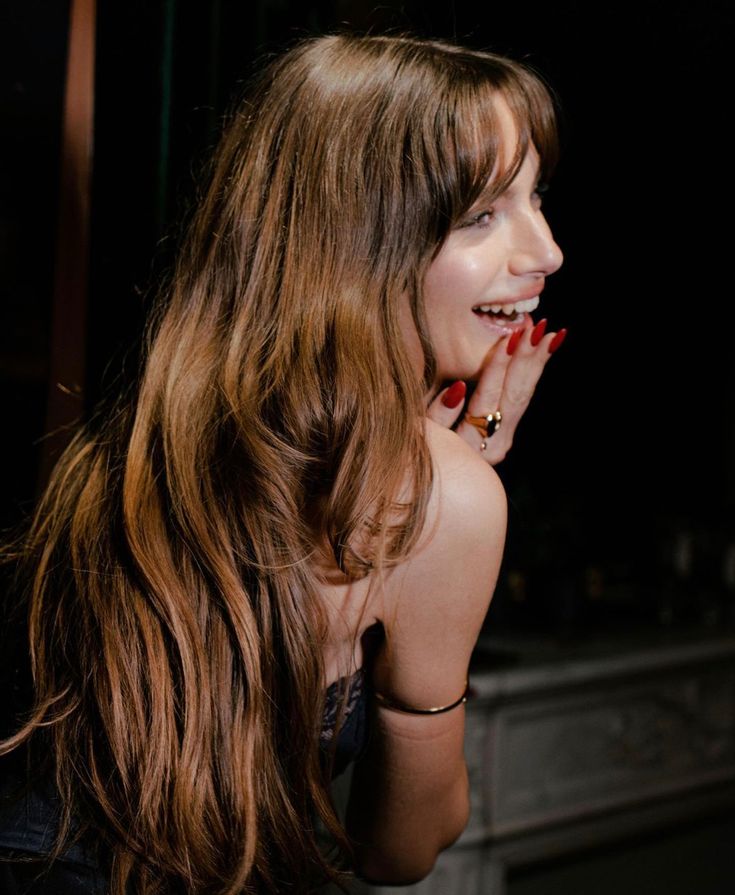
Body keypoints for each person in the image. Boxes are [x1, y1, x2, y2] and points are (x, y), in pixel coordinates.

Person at [0, 32, 564, 895]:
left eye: (535, 198)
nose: (545, 252)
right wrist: (454, 499)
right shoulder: (442, 496)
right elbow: (401, 847)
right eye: (479, 215)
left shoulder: (151, 431)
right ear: (353, 242)